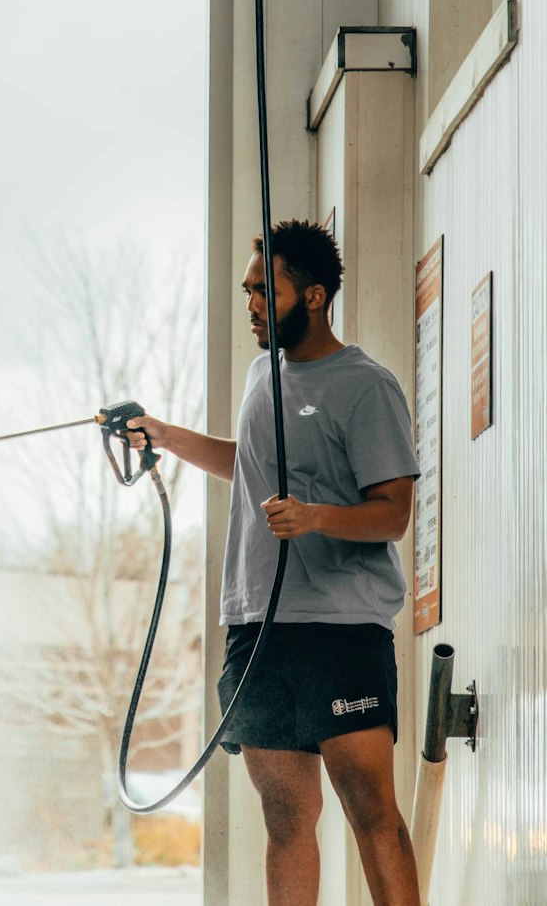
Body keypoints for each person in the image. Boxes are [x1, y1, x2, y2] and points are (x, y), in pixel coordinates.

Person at [127, 220, 421, 906]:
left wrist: (318, 517)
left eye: (266, 291)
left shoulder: (366, 386)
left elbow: (393, 512)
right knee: (287, 820)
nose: (253, 304)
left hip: (341, 630)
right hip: (257, 627)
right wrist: (166, 437)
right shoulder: (264, 373)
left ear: (314, 296)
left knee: (369, 811)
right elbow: (251, 464)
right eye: (248, 290)